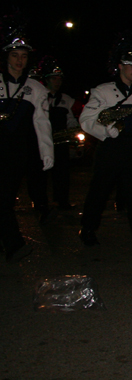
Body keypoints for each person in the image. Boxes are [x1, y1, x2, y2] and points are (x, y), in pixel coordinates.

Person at [79, 34, 132, 252]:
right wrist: (105, 131)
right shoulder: (102, 91)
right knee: (98, 193)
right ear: (119, 66)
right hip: (110, 148)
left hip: (131, 149)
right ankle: (88, 230)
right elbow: (86, 120)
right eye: (130, 65)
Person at [0, 22, 53, 262]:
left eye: (23, 56)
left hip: (15, 153)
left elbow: (42, 124)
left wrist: (46, 152)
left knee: (4, 200)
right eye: (14, 55)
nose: (19, 61)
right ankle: (13, 244)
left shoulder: (36, 89)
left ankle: (14, 245)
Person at [39, 56, 80, 212]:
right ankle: (41, 202)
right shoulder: (40, 97)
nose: (57, 81)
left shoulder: (66, 99)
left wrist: (73, 129)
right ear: (47, 80)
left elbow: (70, 119)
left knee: (62, 174)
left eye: (59, 78)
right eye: (54, 78)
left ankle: (62, 200)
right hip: (43, 140)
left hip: (60, 141)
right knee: (41, 174)